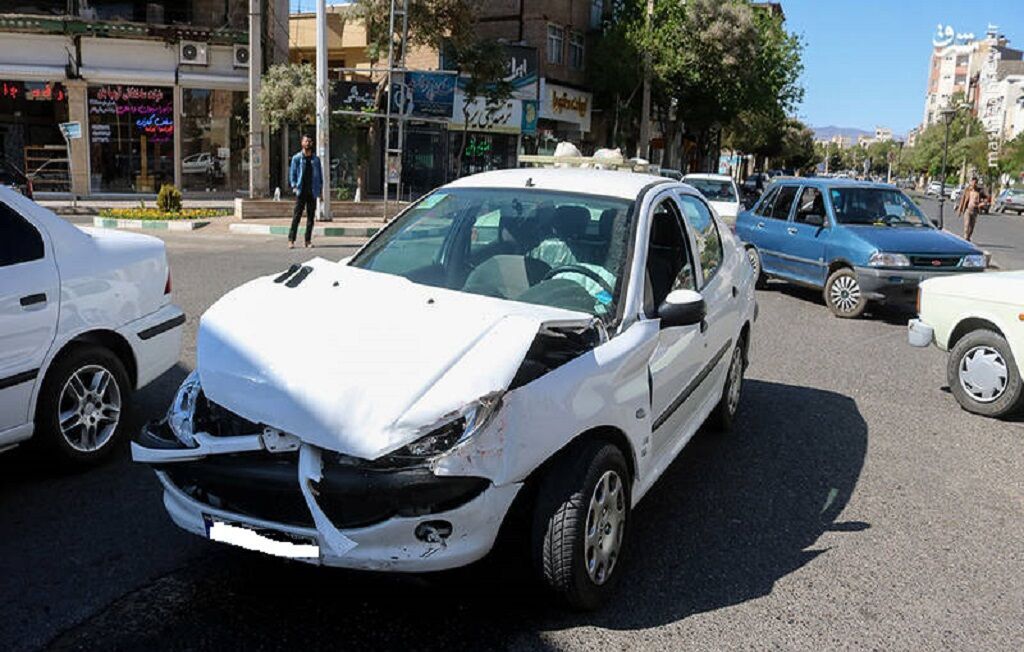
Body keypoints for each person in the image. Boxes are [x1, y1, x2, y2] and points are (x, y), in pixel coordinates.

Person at [288, 135, 323, 248]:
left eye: (309, 141)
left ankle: (307, 241)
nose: (307, 143)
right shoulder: (297, 158)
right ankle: (291, 240)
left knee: (310, 218)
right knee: (296, 216)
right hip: (301, 191)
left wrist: (320, 190)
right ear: (302, 143)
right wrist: (294, 186)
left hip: (312, 191)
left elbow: (319, 176)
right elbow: (292, 173)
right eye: (305, 141)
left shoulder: (316, 159)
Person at [955, 176, 985, 242]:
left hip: (975, 211)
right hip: (967, 210)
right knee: (966, 224)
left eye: (975, 182)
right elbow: (963, 200)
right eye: (972, 182)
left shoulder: (979, 191)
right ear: (970, 182)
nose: (974, 184)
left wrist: (982, 204)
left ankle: (968, 237)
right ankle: (965, 237)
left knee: (971, 226)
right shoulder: (967, 190)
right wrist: (959, 210)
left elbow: (986, 198)